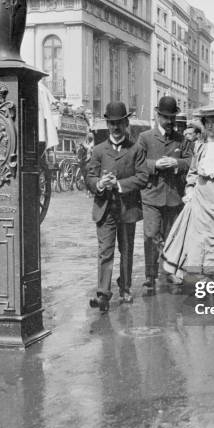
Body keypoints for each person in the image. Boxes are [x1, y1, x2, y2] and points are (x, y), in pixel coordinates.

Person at [86, 101, 148, 311]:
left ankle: (126, 288)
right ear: (107, 124)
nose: (115, 127)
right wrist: (99, 184)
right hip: (105, 208)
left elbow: (142, 178)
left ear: (126, 123)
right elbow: (89, 177)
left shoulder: (135, 149)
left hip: (127, 208)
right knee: (105, 251)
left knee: (127, 250)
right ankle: (103, 294)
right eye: (111, 123)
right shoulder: (98, 150)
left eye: (119, 123)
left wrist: (119, 185)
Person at [162, 107, 214, 280]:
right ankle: (203, 276)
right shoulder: (199, 147)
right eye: (208, 122)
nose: (211, 126)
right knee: (199, 238)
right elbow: (193, 172)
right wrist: (190, 189)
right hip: (200, 198)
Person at [138, 96, 192, 292]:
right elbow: (137, 164)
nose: (170, 122)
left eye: (172, 118)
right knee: (151, 235)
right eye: (166, 118)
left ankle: (169, 271)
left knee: (171, 237)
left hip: (173, 196)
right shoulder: (145, 138)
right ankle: (150, 276)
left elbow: (191, 161)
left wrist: (177, 163)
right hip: (151, 195)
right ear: (157, 115)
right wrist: (154, 165)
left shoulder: (181, 139)